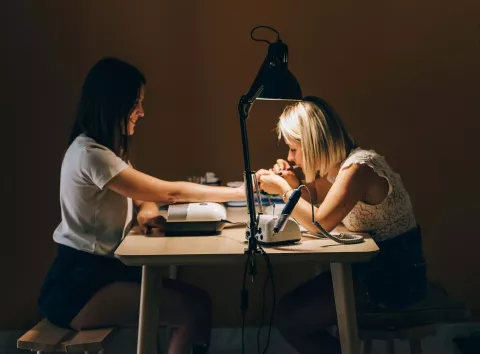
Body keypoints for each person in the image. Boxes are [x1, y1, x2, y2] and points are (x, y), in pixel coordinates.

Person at [38, 58, 245, 354]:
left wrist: (147, 211)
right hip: (79, 285)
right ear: (114, 103)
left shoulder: (108, 153)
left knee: (197, 303)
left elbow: (143, 194)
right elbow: (169, 193)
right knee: (193, 308)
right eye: (136, 103)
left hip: (102, 272)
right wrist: (241, 191)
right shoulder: (91, 155)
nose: (141, 112)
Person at [256, 96, 427, 354]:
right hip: (369, 270)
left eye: (293, 148)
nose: (291, 157)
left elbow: (320, 223)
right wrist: (290, 180)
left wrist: (282, 190)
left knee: (289, 318)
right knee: (286, 312)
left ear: (313, 144)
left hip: (394, 277)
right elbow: (313, 195)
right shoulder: (341, 168)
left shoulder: (360, 167)